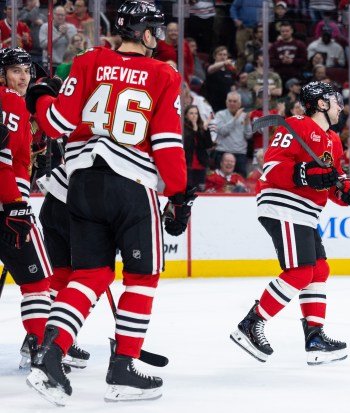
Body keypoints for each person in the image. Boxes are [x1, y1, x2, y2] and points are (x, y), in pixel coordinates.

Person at [24, 1, 195, 404]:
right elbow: (167, 141)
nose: (159, 36)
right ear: (145, 33)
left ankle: (50, 355)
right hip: (131, 185)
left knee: (90, 275)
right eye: (156, 29)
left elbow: (57, 124)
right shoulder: (163, 73)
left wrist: (40, 98)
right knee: (142, 274)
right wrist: (178, 194)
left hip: (81, 185)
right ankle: (123, 369)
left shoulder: (88, 60)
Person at [230, 81, 350, 365]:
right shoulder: (296, 125)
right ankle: (250, 325)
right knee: (301, 272)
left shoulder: (334, 141)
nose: (341, 105)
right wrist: (307, 173)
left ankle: (315, 338)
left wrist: (345, 190)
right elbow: (272, 167)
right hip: (284, 204)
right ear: (322, 104)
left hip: (305, 210)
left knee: (318, 269)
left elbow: (331, 182)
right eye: (336, 100)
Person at [0, 47, 53, 371]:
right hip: (9, 207)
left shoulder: (14, 105)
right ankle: (38, 348)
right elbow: (2, 159)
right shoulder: (9, 103)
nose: (23, 77)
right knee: (39, 281)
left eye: (26, 71)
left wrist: (34, 148)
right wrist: (15, 205)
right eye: (16, 70)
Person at [212, 91, 253, 176]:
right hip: (222, 152)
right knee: (219, 182)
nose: (232, 103)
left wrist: (247, 123)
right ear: (226, 103)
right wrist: (235, 118)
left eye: (234, 101)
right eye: (230, 101)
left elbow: (248, 136)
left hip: (239, 154)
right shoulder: (220, 114)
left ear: (239, 103)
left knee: (240, 183)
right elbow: (222, 131)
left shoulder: (244, 116)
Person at [39, 6, 77, 73]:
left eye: (62, 15)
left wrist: (66, 35)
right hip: (49, 64)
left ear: (65, 16)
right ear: (53, 14)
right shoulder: (45, 27)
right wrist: (59, 35)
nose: (60, 17)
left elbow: (74, 46)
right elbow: (43, 45)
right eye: (58, 15)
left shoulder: (72, 28)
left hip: (66, 64)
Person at [184, 105, 213, 190]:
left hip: (201, 166)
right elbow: (187, 145)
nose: (194, 116)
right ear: (186, 115)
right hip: (187, 166)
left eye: (196, 113)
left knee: (200, 190)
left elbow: (208, 145)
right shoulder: (183, 128)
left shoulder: (202, 127)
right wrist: (194, 131)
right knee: (189, 189)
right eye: (191, 113)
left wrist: (205, 129)